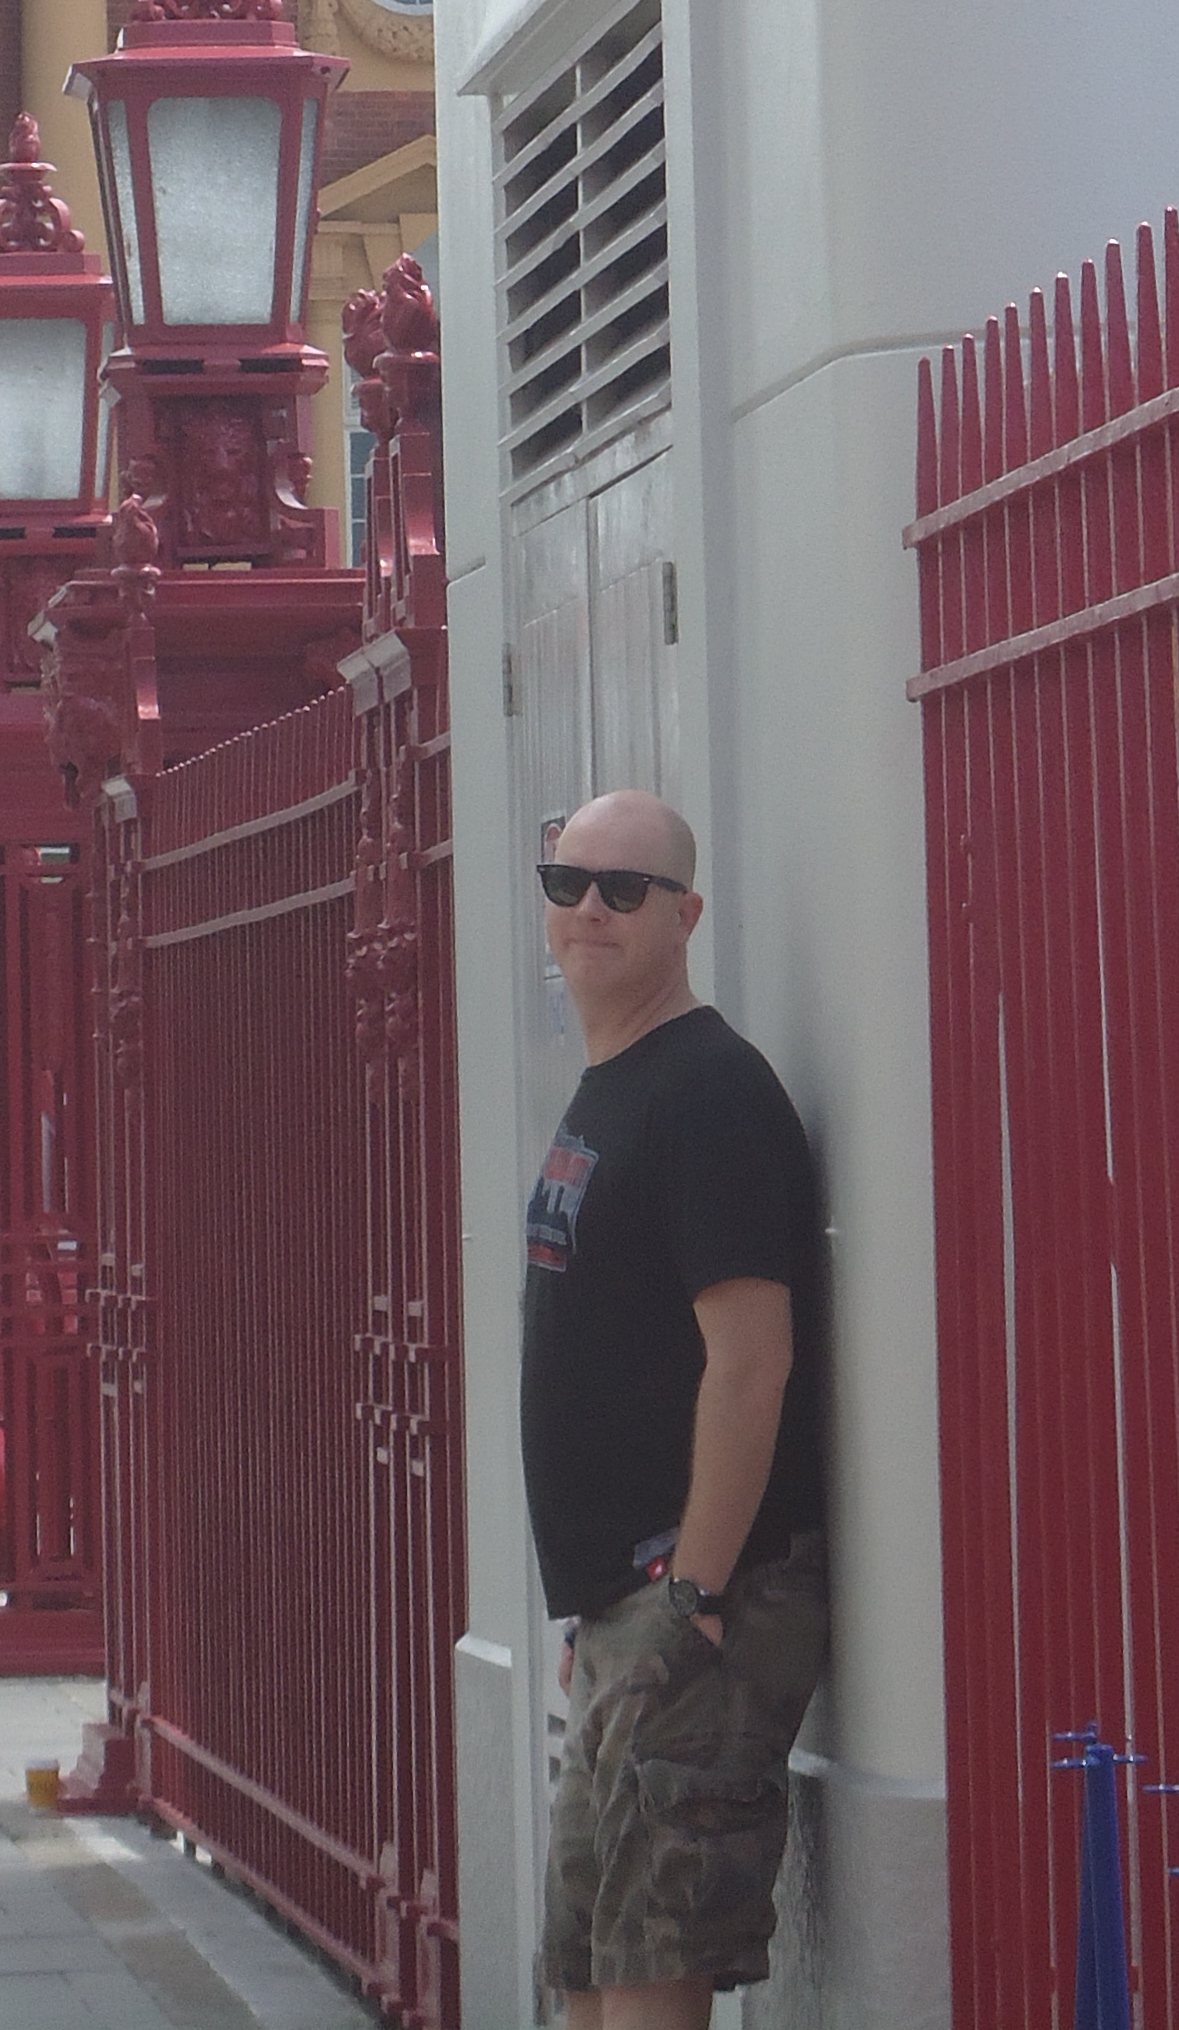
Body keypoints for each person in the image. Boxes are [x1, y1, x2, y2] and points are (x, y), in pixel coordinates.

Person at [523, 791, 827, 2030]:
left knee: (649, 1967)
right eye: (567, 883)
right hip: (632, 1606)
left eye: (624, 889)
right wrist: (608, 1607)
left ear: (685, 915)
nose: (589, 910)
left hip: (705, 1602)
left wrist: (691, 1593)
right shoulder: (616, 1082)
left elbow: (753, 1362)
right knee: (589, 1969)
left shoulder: (707, 1091)